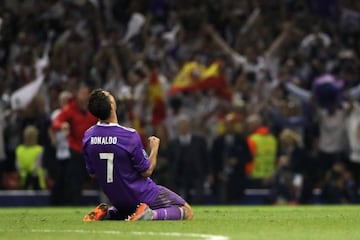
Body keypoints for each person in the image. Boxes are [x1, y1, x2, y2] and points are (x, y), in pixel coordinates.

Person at [82, 89, 193, 221]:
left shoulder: (88, 136)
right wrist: (154, 148)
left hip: (116, 198)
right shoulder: (128, 135)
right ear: (112, 106)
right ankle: (150, 215)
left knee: (128, 209)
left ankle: (109, 214)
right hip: (142, 194)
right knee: (186, 210)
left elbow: (92, 173)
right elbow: (147, 171)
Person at [52, 83, 97, 205]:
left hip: (92, 150)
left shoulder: (93, 109)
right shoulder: (70, 109)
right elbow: (56, 121)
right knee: (74, 181)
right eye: (82, 93)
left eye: (86, 93)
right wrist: (62, 125)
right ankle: (73, 204)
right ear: (77, 94)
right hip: (76, 150)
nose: (84, 96)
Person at [15, 125, 46, 190]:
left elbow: (18, 166)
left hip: (23, 180)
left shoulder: (19, 149)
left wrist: (24, 172)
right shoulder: (39, 150)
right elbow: (37, 166)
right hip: (36, 182)